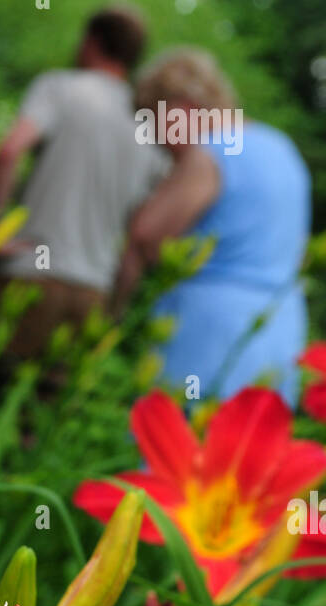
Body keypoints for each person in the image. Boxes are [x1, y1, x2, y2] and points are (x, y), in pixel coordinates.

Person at [0, 5, 162, 384]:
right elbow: (146, 222)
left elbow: (9, 151)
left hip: (29, 272)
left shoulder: (61, 87)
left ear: (92, 41)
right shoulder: (146, 121)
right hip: (93, 290)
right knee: (38, 417)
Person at [115, 48, 311, 405]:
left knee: (178, 447)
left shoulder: (211, 151)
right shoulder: (282, 147)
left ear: (179, 108)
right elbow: (294, 252)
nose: (160, 146)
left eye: (154, 124)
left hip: (208, 338)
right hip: (280, 331)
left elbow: (146, 236)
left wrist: (112, 320)